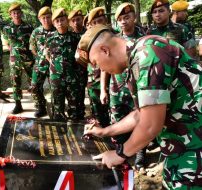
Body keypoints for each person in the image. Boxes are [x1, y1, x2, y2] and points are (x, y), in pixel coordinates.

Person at [77, 24, 202, 189]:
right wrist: (105, 131)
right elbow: (141, 114)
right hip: (183, 146)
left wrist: (120, 153)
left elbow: (150, 125)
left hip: (194, 147)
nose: (100, 69)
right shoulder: (139, 56)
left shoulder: (147, 55)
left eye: (96, 63)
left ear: (105, 50)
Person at [101, 2, 147, 171]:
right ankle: (120, 153)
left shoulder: (145, 37)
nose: (123, 22)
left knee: (140, 120)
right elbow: (105, 66)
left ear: (134, 17)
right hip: (117, 89)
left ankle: (140, 155)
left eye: (127, 17)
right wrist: (103, 89)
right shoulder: (113, 40)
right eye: (120, 19)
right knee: (117, 120)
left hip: (139, 90)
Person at [45, 8, 80, 120]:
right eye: (57, 21)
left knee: (74, 105)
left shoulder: (75, 37)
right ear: (54, 24)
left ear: (67, 21)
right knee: (57, 105)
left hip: (72, 76)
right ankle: (59, 127)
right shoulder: (50, 38)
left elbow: (80, 57)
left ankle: (74, 127)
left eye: (62, 20)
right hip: (56, 77)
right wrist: (55, 67)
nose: (60, 23)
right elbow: (47, 54)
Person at [3, 3, 34, 114]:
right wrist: (15, 51)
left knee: (33, 81)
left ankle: (39, 104)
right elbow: (7, 43)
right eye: (13, 13)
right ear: (10, 15)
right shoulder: (6, 28)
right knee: (16, 82)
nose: (16, 14)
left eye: (18, 12)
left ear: (21, 13)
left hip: (28, 59)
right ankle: (18, 105)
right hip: (14, 60)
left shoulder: (28, 27)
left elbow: (32, 42)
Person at [86, 7, 110, 126]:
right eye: (94, 23)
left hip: (113, 82)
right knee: (97, 113)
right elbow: (80, 58)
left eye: (100, 20)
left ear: (105, 20)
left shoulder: (115, 35)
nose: (97, 25)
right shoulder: (88, 39)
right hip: (93, 80)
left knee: (113, 113)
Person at [29, 6, 55, 117]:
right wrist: (41, 58)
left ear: (52, 17)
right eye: (43, 18)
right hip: (39, 65)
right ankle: (41, 107)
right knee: (34, 86)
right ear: (40, 19)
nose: (46, 20)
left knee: (55, 89)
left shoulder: (56, 30)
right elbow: (33, 48)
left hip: (54, 66)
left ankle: (56, 110)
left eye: (48, 17)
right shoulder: (36, 32)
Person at [68, 9, 87, 119]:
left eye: (78, 19)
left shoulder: (89, 32)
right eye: (73, 20)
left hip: (89, 69)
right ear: (70, 22)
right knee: (77, 95)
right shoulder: (69, 36)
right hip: (75, 71)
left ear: (82, 19)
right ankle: (79, 115)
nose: (76, 22)